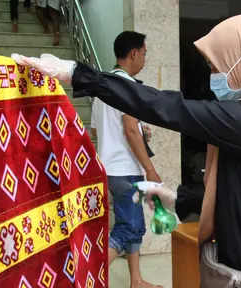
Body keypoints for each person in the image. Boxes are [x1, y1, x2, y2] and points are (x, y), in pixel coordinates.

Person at [11, 14, 241, 288]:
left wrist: (79, 74)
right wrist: (175, 197)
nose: (213, 78)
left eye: (216, 66)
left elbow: (169, 108)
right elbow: (240, 201)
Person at [88, 31, 163, 288]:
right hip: (125, 169)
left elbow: (99, 130)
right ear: (133, 53)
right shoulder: (127, 86)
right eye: (144, 53)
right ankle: (87, 278)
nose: (144, 59)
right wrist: (150, 169)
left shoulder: (102, 86)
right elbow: (129, 129)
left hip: (108, 168)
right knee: (127, 228)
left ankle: (136, 280)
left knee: (134, 224)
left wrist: (140, 131)